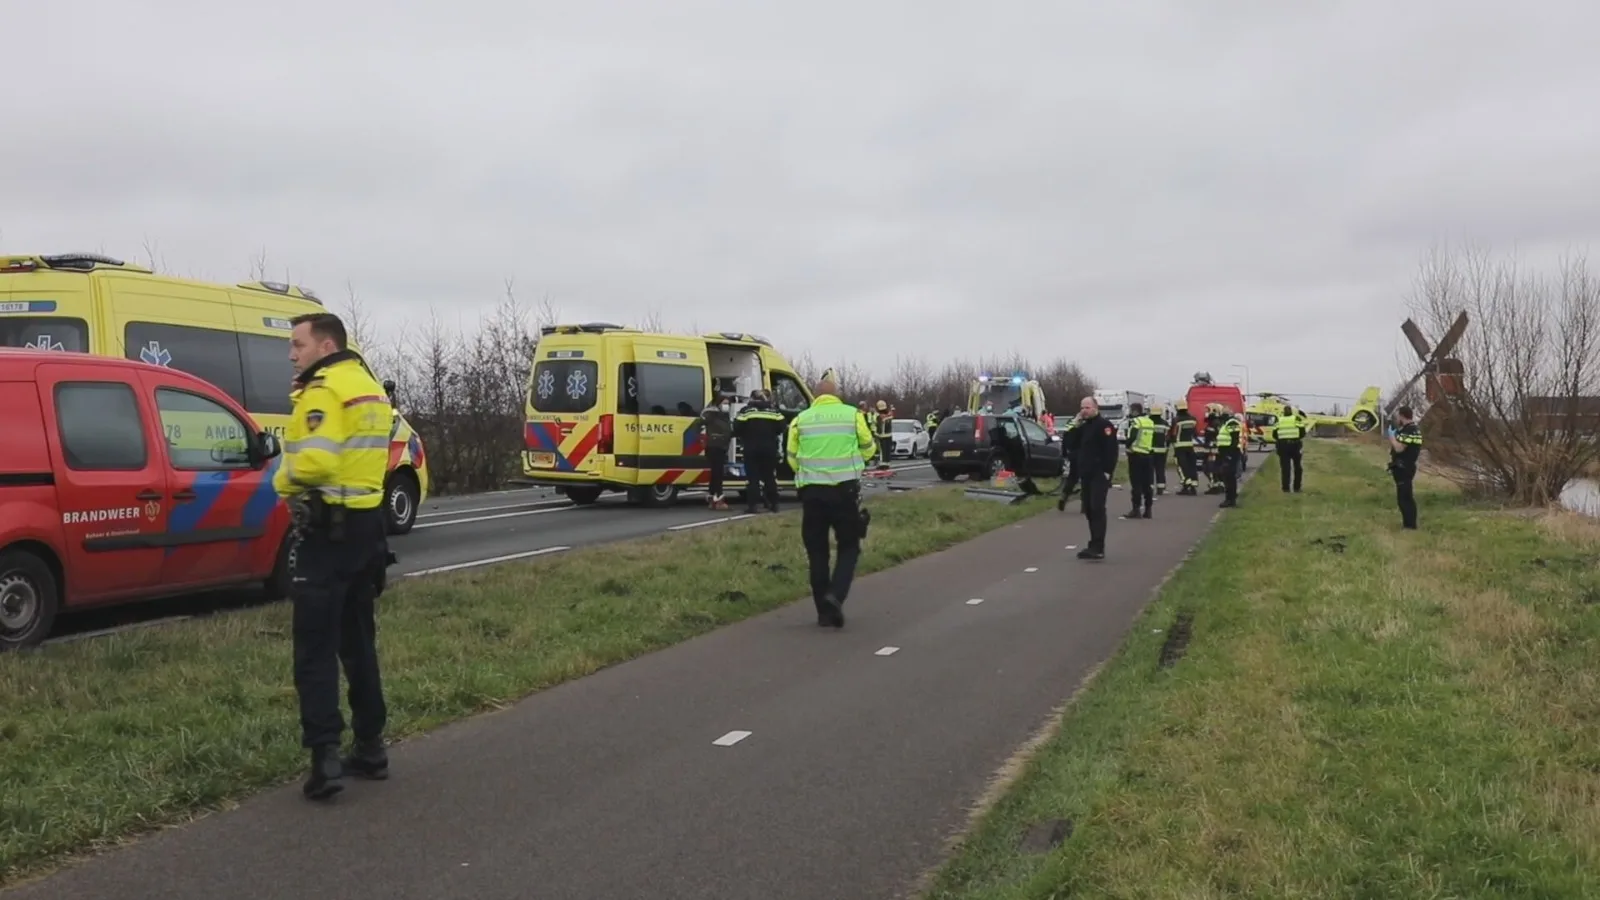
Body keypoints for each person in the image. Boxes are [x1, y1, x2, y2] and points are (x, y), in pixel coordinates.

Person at [273, 312, 395, 801]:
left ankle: (324, 758)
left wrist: (280, 480)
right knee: (359, 642)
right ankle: (371, 746)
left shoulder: (323, 391)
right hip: (368, 528)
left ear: (325, 346)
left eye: (297, 344)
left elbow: (318, 462)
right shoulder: (370, 388)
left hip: (327, 531)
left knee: (315, 649)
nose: (291, 354)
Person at [788, 370, 878, 627]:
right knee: (849, 546)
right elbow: (869, 447)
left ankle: (823, 613)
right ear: (836, 395)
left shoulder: (800, 420)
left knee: (817, 553)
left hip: (812, 494)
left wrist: (809, 473)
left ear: (815, 397)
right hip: (844, 491)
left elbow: (791, 457)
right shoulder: (852, 415)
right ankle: (835, 596)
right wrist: (856, 462)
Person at [1074, 396, 1120, 560]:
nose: (1084, 411)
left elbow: (1111, 450)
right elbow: (1070, 444)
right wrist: (1075, 424)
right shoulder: (1083, 427)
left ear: (1095, 408)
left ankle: (1099, 546)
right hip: (1086, 473)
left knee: (1097, 507)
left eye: (1087, 408)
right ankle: (1093, 543)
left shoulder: (1104, 426)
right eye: (1082, 408)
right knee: (1088, 508)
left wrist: (1107, 471)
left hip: (1099, 474)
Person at [733, 389, 785, 513]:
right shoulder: (774, 412)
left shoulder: (746, 411)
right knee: (769, 477)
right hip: (769, 448)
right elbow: (782, 427)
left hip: (751, 448)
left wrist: (745, 434)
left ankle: (753, 505)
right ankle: (774, 504)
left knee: (753, 478)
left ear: (752, 399)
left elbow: (736, 427)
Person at [693, 395, 734, 509]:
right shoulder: (712, 414)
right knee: (718, 473)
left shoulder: (725, 415)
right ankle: (718, 497)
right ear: (719, 403)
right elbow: (699, 424)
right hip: (714, 446)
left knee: (716, 473)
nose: (726, 406)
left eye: (728, 404)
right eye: (724, 403)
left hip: (722, 446)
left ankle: (712, 496)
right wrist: (705, 438)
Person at [1387, 406, 1423, 529]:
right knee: (1404, 497)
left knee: (1405, 498)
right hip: (1405, 467)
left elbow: (1399, 448)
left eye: (1397, 417)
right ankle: (1408, 524)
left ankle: (1410, 526)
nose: (1396, 419)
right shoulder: (1410, 429)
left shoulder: (1410, 430)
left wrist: (1392, 437)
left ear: (1402, 416)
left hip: (1404, 468)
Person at [1122, 402, 1155, 519]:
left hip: (1136, 455)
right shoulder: (1150, 422)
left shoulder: (1136, 421)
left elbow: (1132, 436)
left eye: (1131, 411)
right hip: (1148, 455)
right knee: (1147, 484)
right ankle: (1148, 510)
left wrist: (1127, 445)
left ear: (1135, 411)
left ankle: (1136, 510)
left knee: (1136, 484)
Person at [1273, 405, 1307, 493]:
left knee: (1285, 468)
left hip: (1283, 446)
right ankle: (1297, 487)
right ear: (1291, 411)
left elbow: (1274, 435)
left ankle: (1286, 488)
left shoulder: (1279, 420)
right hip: (1295, 445)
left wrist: (1282, 438)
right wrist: (1295, 437)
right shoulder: (1296, 419)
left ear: (1284, 412)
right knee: (1298, 468)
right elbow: (1303, 433)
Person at [1215, 410, 1244, 508]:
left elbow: (1235, 439)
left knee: (1229, 477)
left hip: (1230, 453)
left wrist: (1229, 455)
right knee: (1227, 476)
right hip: (1226, 453)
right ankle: (1230, 498)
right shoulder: (1227, 423)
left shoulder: (1232, 423)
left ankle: (1230, 499)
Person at [1056, 412, 1084, 511]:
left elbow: (1065, 438)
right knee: (1085, 479)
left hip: (1073, 454)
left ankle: (1064, 496)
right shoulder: (1086, 425)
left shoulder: (1070, 424)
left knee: (1072, 478)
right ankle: (1084, 504)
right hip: (1084, 454)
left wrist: (1064, 454)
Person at [1170, 400, 1199, 495]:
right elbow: (1195, 433)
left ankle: (1186, 485)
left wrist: (1170, 441)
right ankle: (1193, 486)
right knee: (1191, 466)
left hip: (1179, 446)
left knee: (1182, 466)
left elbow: (1173, 433)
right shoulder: (1193, 419)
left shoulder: (1176, 420)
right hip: (1190, 445)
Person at [1149, 405, 1170, 495]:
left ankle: (1149, 488)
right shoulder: (1164, 424)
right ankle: (1161, 488)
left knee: (1149, 470)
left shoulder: (1148, 423)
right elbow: (1168, 437)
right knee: (1160, 469)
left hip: (1149, 450)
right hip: (1161, 450)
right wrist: (1167, 448)